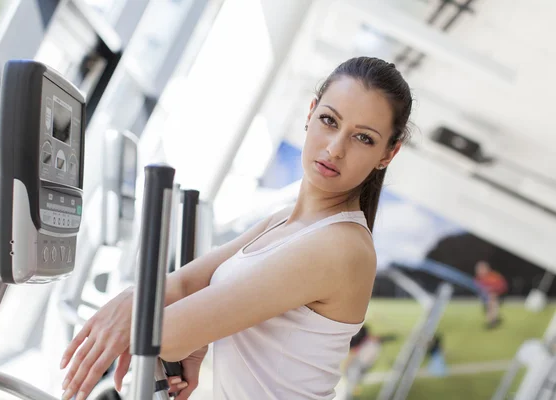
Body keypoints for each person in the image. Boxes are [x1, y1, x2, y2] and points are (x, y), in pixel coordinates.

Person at [60, 56, 413, 400]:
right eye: (329, 120)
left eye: (363, 138)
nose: (335, 148)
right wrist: (134, 301)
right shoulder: (285, 221)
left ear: (388, 154)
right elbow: (186, 282)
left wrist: (141, 315)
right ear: (310, 113)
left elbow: (165, 335)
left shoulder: (341, 247)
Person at [474, 260, 508, 328]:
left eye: (482, 269)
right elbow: (477, 289)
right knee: (489, 306)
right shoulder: (478, 278)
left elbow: (503, 286)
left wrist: (492, 290)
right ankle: (492, 320)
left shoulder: (494, 276)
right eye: (478, 269)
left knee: (492, 302)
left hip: (498, 295)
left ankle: (491, 321)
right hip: (485, 297)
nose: (480, 271)